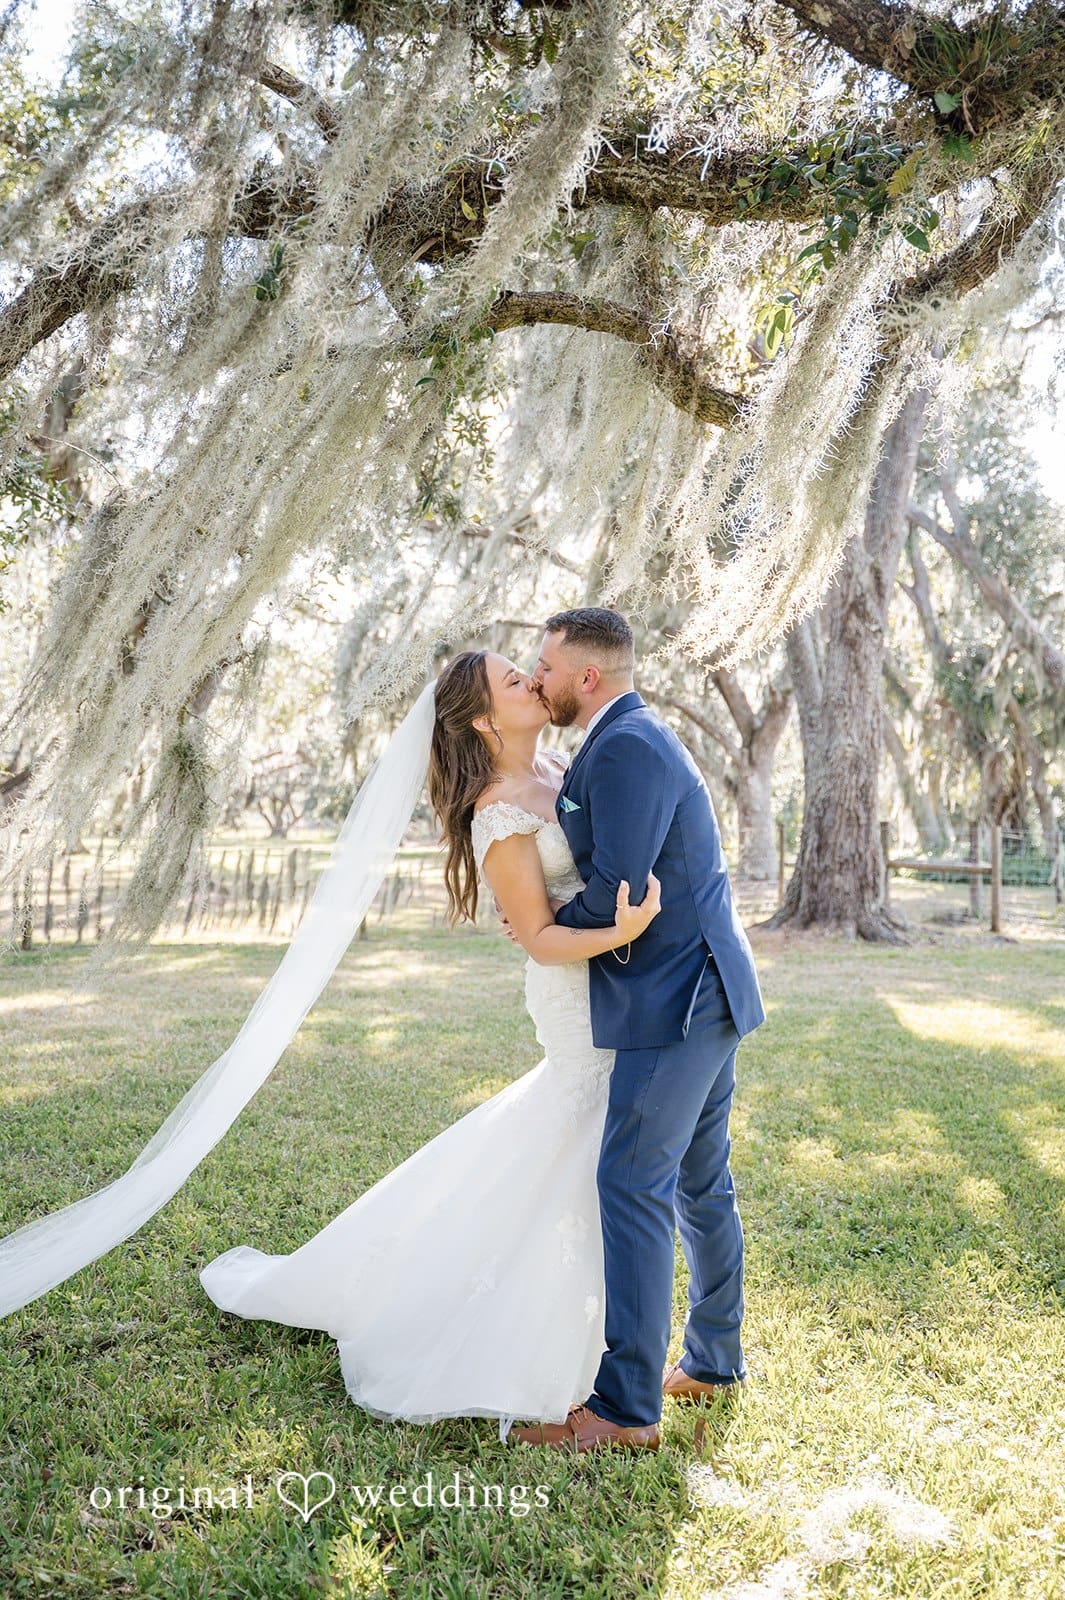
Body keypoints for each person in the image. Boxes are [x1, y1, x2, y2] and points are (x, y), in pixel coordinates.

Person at [196, 647, 662, 1444]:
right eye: (513, 681)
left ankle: (602, 1340)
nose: (532, 681)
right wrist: (622, 930)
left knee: (580, 1146)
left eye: (528, 671)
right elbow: (538, 938)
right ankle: (567, 1348)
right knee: (579, 1133)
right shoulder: (498, 811)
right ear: (481, 719)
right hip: (574, 990)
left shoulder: (562, 767)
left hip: (616, 986)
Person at [505, 607, 765, 1454]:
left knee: (630, 1182)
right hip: (703, 990)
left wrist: (542, 924)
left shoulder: (623, 745)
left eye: (546, 667)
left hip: (674, 1000)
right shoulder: (626, 737)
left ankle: (623, 1410)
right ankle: (713, 1360)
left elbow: (620, 889)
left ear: (587, 676)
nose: (536, 678)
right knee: (698, 1182)